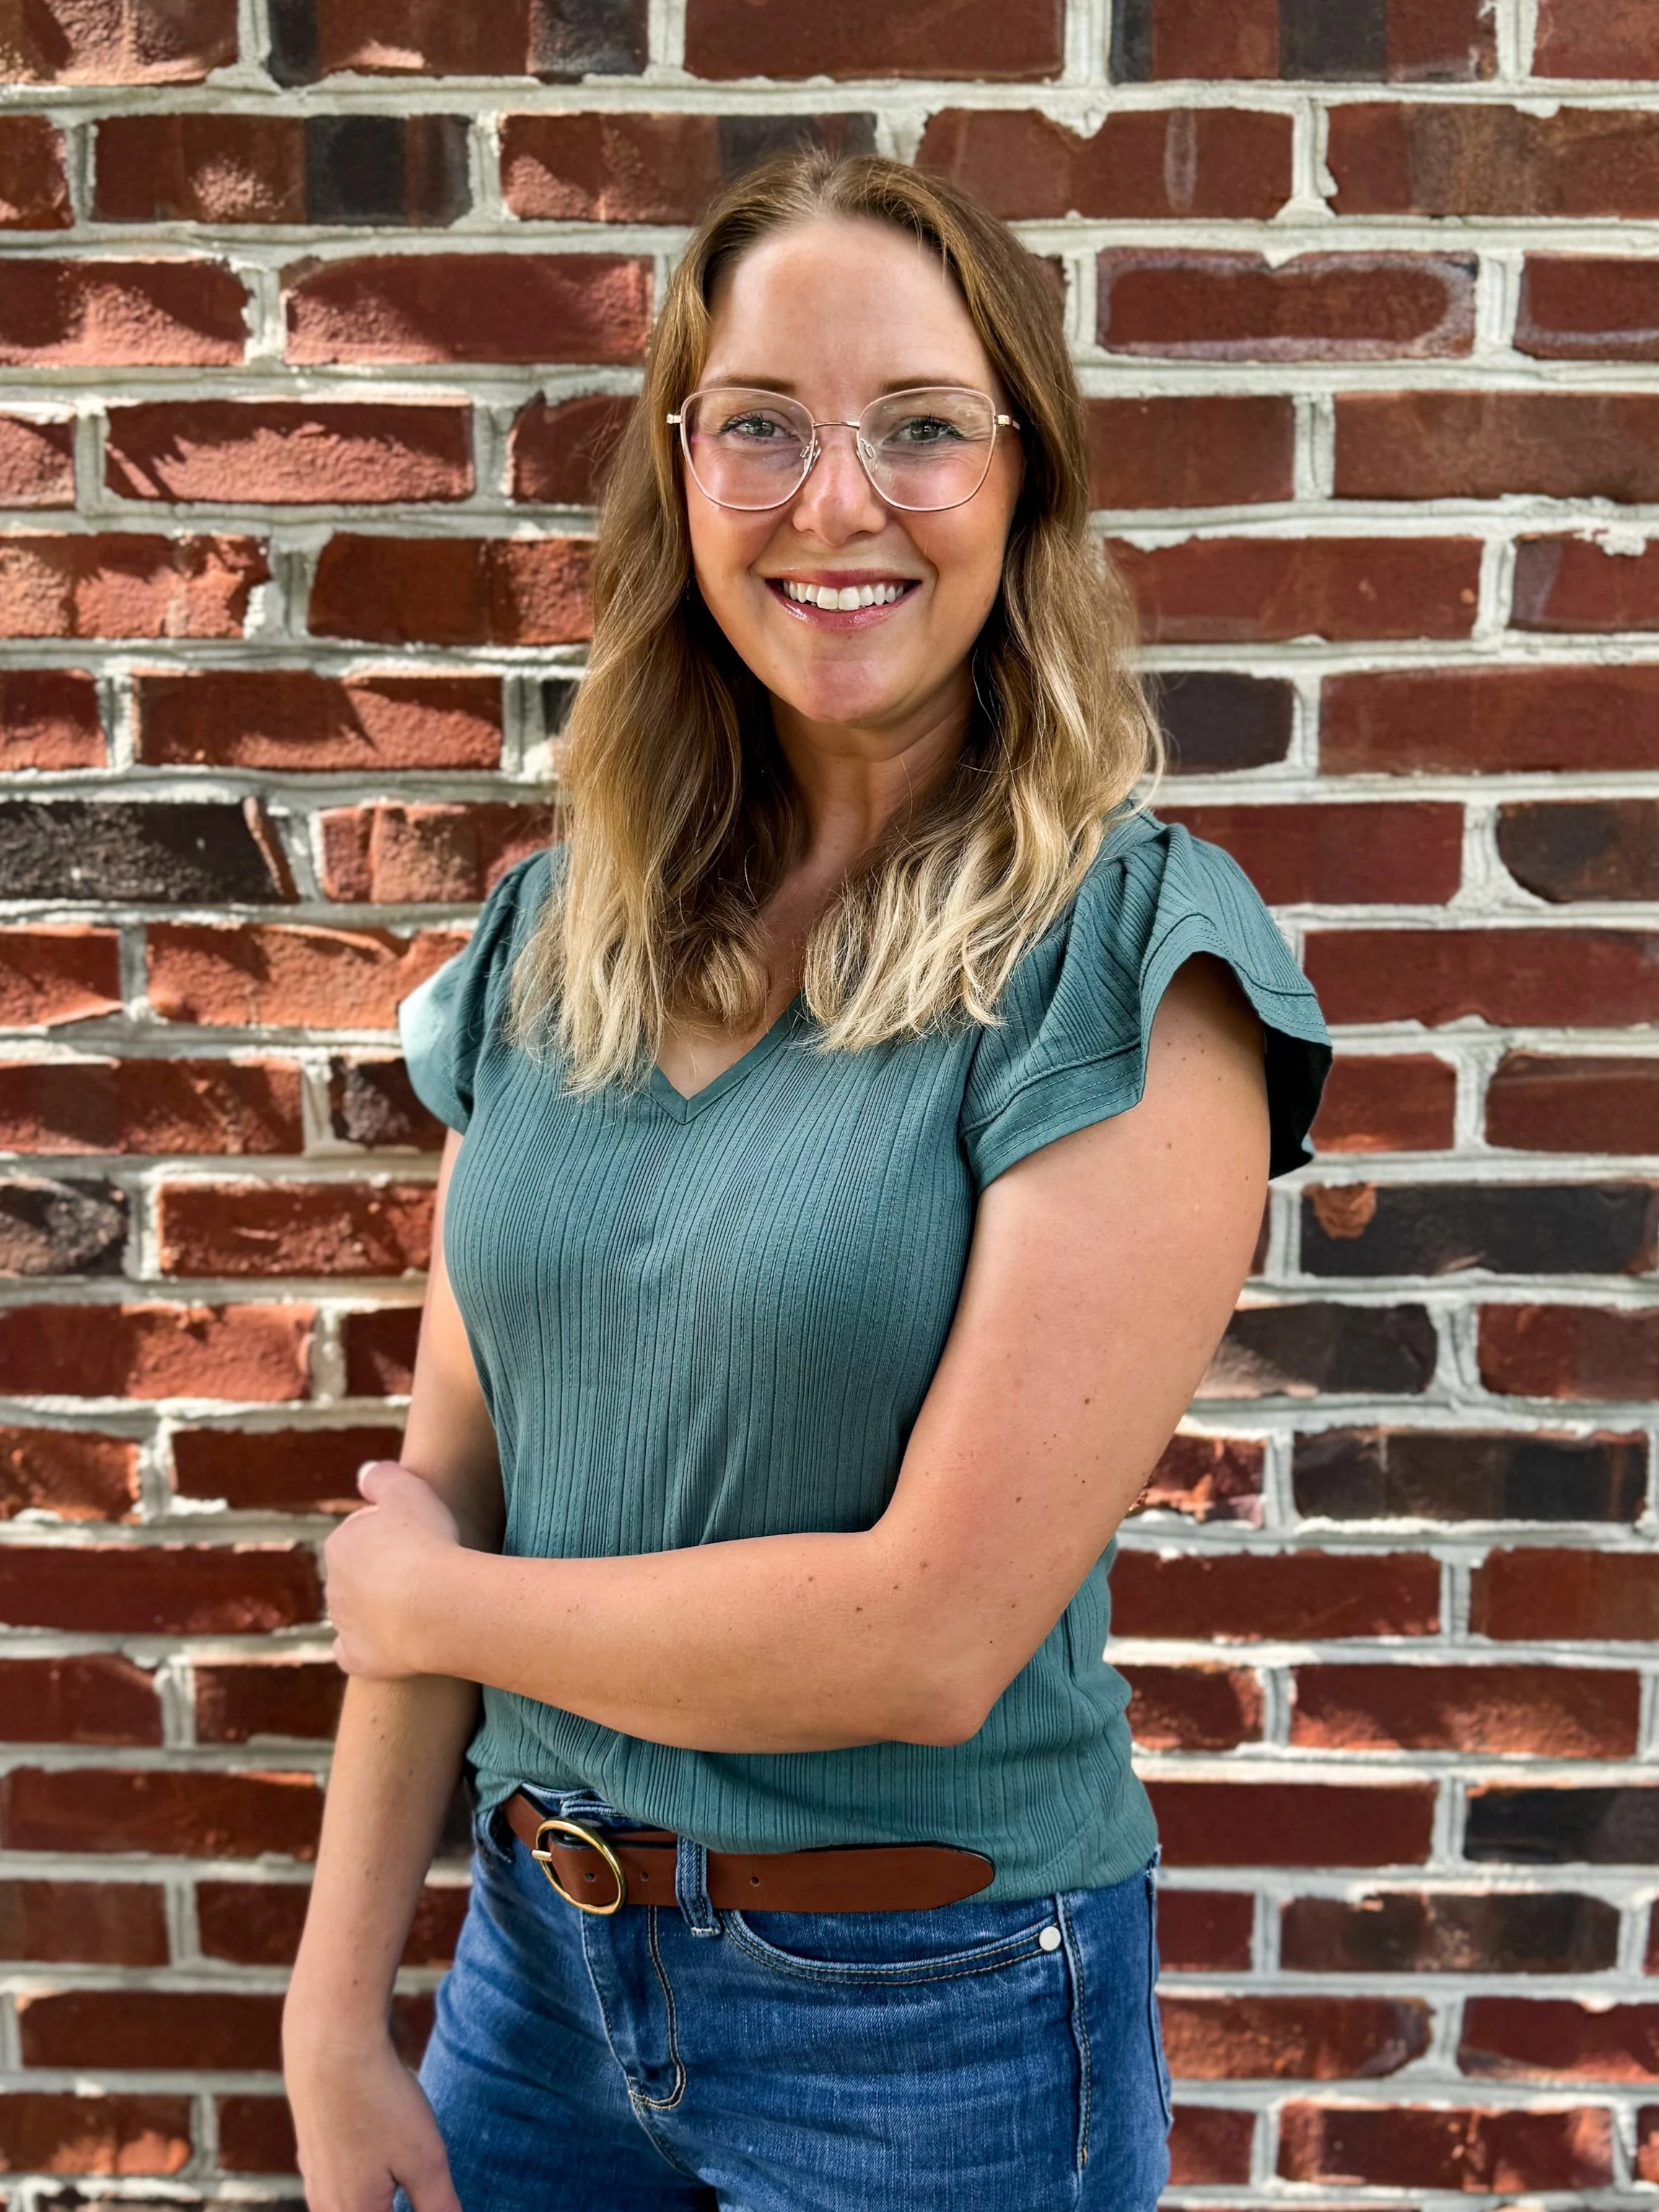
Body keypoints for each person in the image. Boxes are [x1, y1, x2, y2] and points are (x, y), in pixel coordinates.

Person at [282, 149, 1331, 2212]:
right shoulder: (556, 929)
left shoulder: (1130, 970)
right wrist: (332, 2011)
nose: (834, 501)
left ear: (1026, 482)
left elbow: (930, 1634)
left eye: (923, 430)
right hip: (536, 1973)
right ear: (681, 470)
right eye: (758, 423)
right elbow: (447, 1474)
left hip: (931, 2020)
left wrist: (438, 1610)